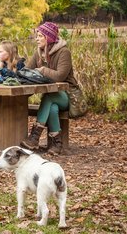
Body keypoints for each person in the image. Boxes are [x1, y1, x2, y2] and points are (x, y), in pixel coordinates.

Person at [20, 22, 80, 155]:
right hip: (53, 98)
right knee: (52, 106)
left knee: (48, 96)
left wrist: (42, 70)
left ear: (48, 37)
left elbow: (60, 76)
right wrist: (17, 68)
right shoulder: (39, 53)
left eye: (40, 36)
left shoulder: (64, 52)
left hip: (68, 95)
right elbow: (27, 71)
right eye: (37, 36)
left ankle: (34, 137)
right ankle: (57, 144)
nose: (36, 39)